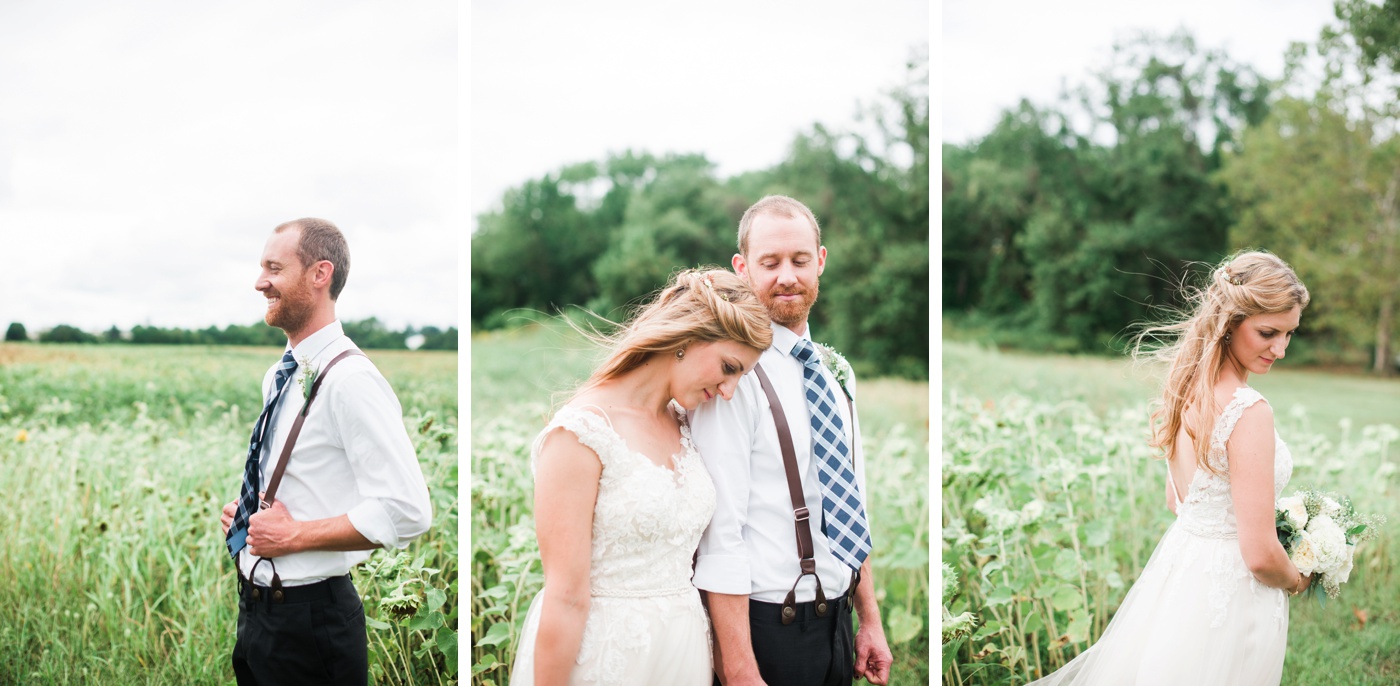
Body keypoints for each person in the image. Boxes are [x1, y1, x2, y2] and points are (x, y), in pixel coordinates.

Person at [1028, 250, 1312, 685]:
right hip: (1231, 591)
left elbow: (1177, 500)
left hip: (1183, 572)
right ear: (1229, 322)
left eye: (1289, 334)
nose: (1281, 349)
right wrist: (1299, 578)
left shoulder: (1184, 389)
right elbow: (1258, 555)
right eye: (1268, 333)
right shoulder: (1248, 410)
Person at [509, 268, 773, 686]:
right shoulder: (581, 433)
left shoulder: (685, 423)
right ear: (688, 338)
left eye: (739, 376)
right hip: (607, 656)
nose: (728, 390)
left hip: (683, 652)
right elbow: (565, 597)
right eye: (728, 367)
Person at [219, 218, 432, 686]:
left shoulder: (351, 379)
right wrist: (250, 513)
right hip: (257, 616)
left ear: (320, 274)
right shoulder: (279, 372)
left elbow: (408, 510)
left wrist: (293, 536)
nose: (260, 282)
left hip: (312, 624)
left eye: (274, 268)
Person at [691, 195, 893, 686]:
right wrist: (739, 670)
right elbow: (721, 535)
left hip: (838, 624)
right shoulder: (731, 378)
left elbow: (850, 502)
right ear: (742, 269)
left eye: (800, 260)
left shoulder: (833, 371)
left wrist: (869, 621)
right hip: (768, 627)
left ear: (820, 261)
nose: (787, 276)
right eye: (770, 263)